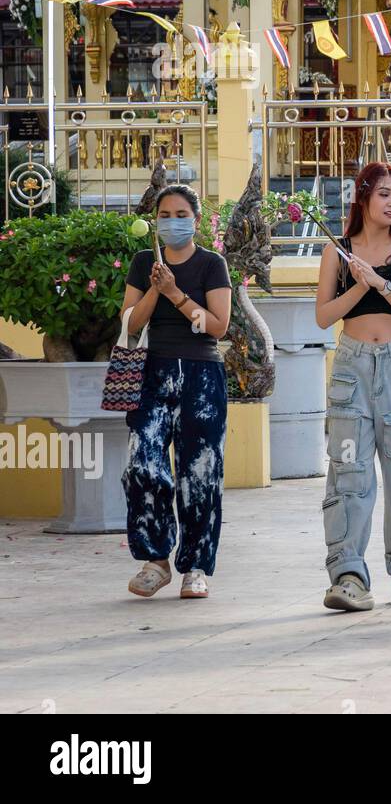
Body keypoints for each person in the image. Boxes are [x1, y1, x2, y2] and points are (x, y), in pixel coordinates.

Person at [314, 161, 391, 612]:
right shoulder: (337, 251)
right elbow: (324, 316)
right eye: (384, 193)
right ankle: (347, 575)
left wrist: (379, 282)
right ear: (363, 197)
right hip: (351, 364)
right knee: (349, 471)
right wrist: (356, 285)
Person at [120, 184, 232, 600]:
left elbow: (218, 325)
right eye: (164, 215)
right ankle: (156, 560)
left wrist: (176, 294)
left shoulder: (211, 264)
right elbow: (130, 324)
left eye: (180, 214)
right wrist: (155, 287)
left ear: (196, 220)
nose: (172, 222)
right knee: (142, 462)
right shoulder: (144, 261)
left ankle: (196, 567)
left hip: (202, 373)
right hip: (153, 371)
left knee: (200, 471)